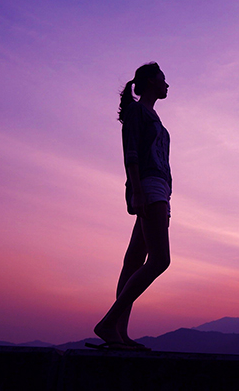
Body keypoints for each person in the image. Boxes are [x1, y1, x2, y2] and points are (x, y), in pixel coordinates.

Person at [94, 62, 171, 350]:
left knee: (133, 262)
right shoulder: (137, 113)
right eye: (163, 79)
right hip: (149, 187)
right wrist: (137, 190)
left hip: (160, 190)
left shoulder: (154, 118)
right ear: (151, 81)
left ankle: (119, 335)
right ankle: (108, 323)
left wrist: (166, 196)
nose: (167, 84)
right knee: (160, 260)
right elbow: (132, 153)